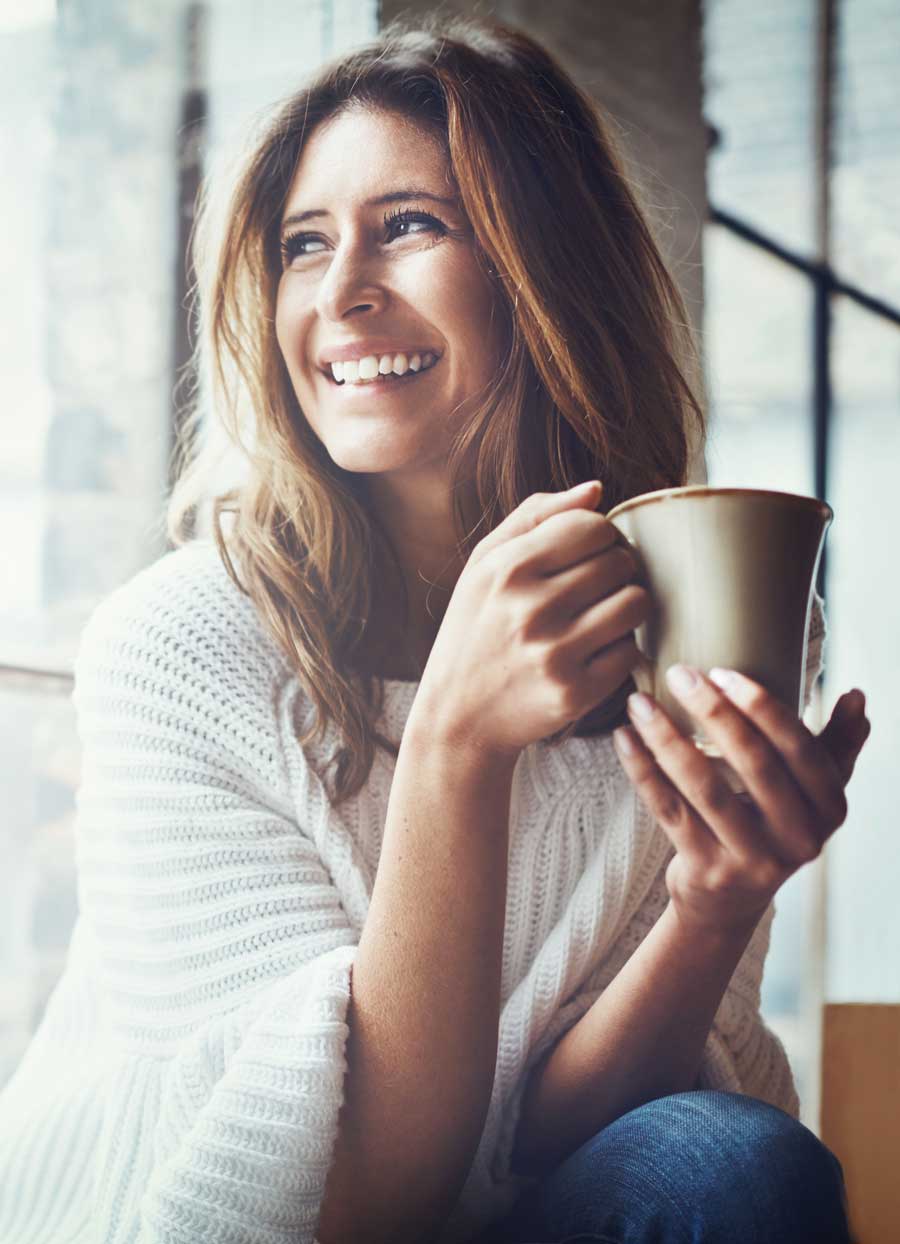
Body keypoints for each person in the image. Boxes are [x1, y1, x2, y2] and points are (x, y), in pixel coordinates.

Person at [0, 14, 870, 1244]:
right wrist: (459, 744)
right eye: (304, 244)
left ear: (547, 272)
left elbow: (554, 1149)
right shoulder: (181, 645)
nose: (343, 290)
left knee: (728, 1162)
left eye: (409, 225)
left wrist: (712, 904)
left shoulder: (678, 630)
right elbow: (351, 1204)